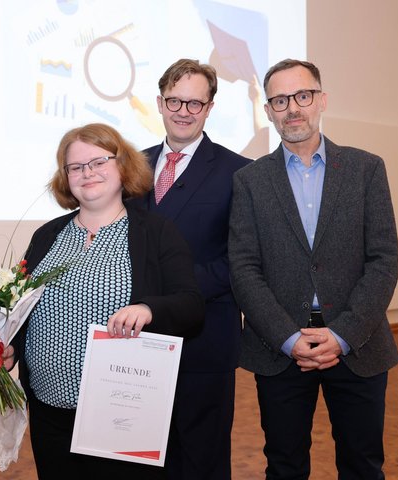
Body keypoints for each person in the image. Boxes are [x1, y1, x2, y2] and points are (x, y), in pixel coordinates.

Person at [0, 123, 204, 479]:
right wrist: (12, 349)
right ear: (65, 177)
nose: (88, 173)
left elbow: (192, 306)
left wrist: (148, 309)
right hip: (49, 409)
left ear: (123, 166)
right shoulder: (47, 236)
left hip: (120, 413)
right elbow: (27, 313)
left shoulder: (156, 233)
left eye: (99, 161)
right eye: (76, 167)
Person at [228, 59, 398, 479]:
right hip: (280, 351)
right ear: (268, 110)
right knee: (284, 467)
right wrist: (287, 338)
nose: (293, 109)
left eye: (302, 96)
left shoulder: (366, 168)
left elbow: (384, 260)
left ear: (321, 100)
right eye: (281, 100)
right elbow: (244, 267)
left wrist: (342, 336)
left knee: (363, 466)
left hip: (358, 345)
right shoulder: (249, 180)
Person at [134, 58, 251, 479]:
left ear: (210, 107)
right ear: (160, 103)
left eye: (194, 104)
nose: (183, 111)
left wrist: (170, 296)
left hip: (204, 340)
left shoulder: (240, 173)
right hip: (138, 342)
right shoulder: (131, 168)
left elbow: (241, 260)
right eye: (175, 101)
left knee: (203, 461)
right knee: (146, 457)